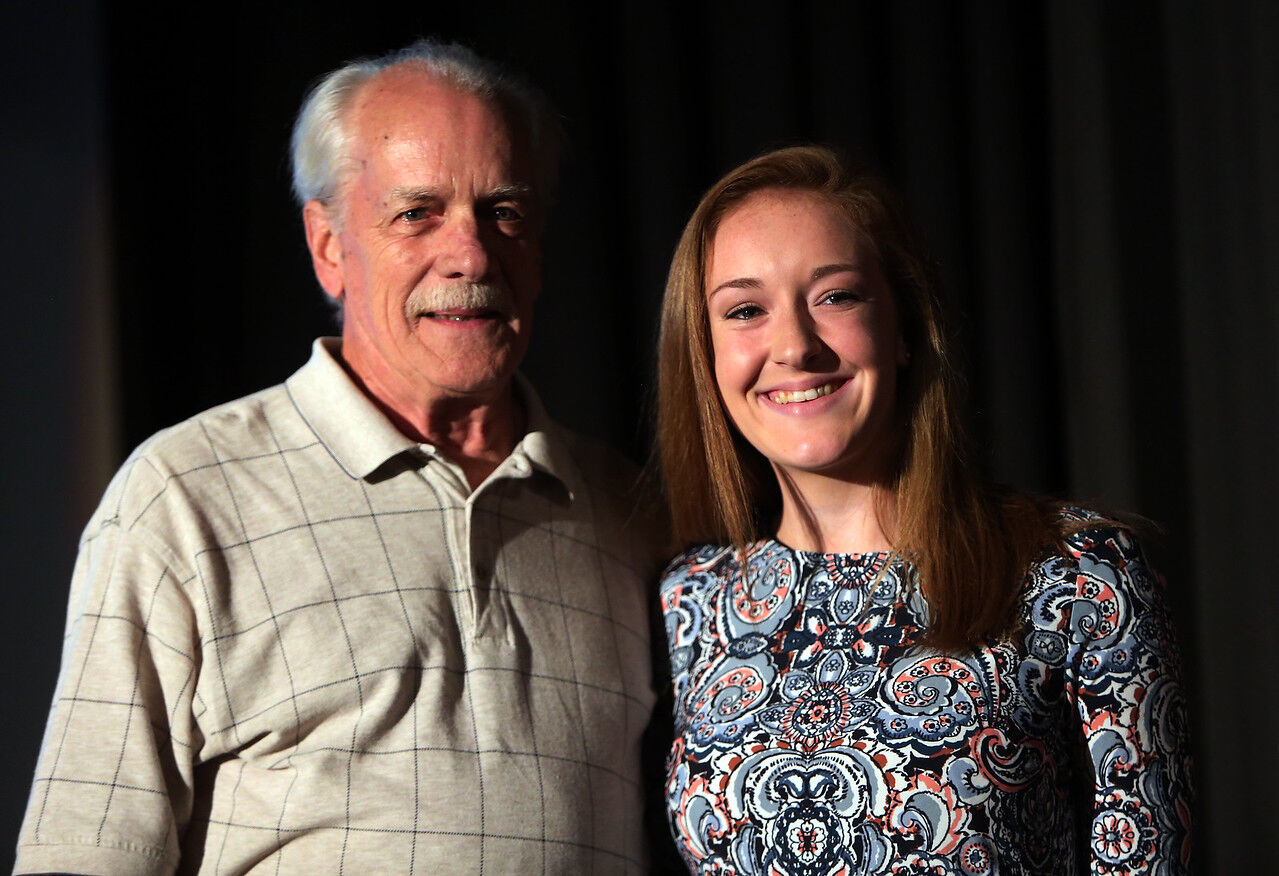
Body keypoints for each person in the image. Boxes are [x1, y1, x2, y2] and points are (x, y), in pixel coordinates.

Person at [16, 40, 667, 874]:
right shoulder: (184, 498)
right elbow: (83, 854)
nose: (470, 255)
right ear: (328, 245)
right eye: (416, 212)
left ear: (539, 245)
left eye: (503, 210)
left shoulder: (626, 512)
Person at [654, 146, 1193, 875]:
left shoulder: (1077, 577)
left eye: (835, 296)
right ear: (705, 356)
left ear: (902, 327)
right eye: (745, 310)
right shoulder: (690, 598)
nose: (793, 346)